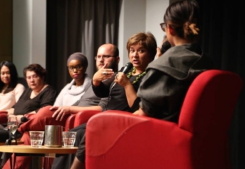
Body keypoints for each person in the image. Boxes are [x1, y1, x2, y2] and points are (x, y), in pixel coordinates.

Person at [71, 0, 214, 169]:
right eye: (132, 50)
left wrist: (110, 118)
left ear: (170, 29)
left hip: (158, 133)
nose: (135, 55)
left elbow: (144, 112)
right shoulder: (205, 61)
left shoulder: (164, 64)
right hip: (198, 138)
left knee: (97, 125)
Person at [53, 32, 157, 169]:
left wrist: (127, 85)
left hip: (123, 121)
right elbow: (102, 92)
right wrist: (96, 81)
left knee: (87, 132)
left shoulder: (150, 76)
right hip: (105, 117)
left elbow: (137, 107)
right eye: (132, 51)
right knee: (69, 135)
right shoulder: (127, 71)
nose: (135, 55)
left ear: (151, 54)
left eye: (141, 51)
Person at [1, 53, 92, 169]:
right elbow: (56, 106)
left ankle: (18, 128)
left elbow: (80, 105)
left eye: (78, 66)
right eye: (71, 67)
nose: (75, 70)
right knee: (28, 136)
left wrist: (66, 109)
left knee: (44, 111)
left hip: (68, 119)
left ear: (85, 67)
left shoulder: (90, 86)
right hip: (55, 118)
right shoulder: (67, 88)